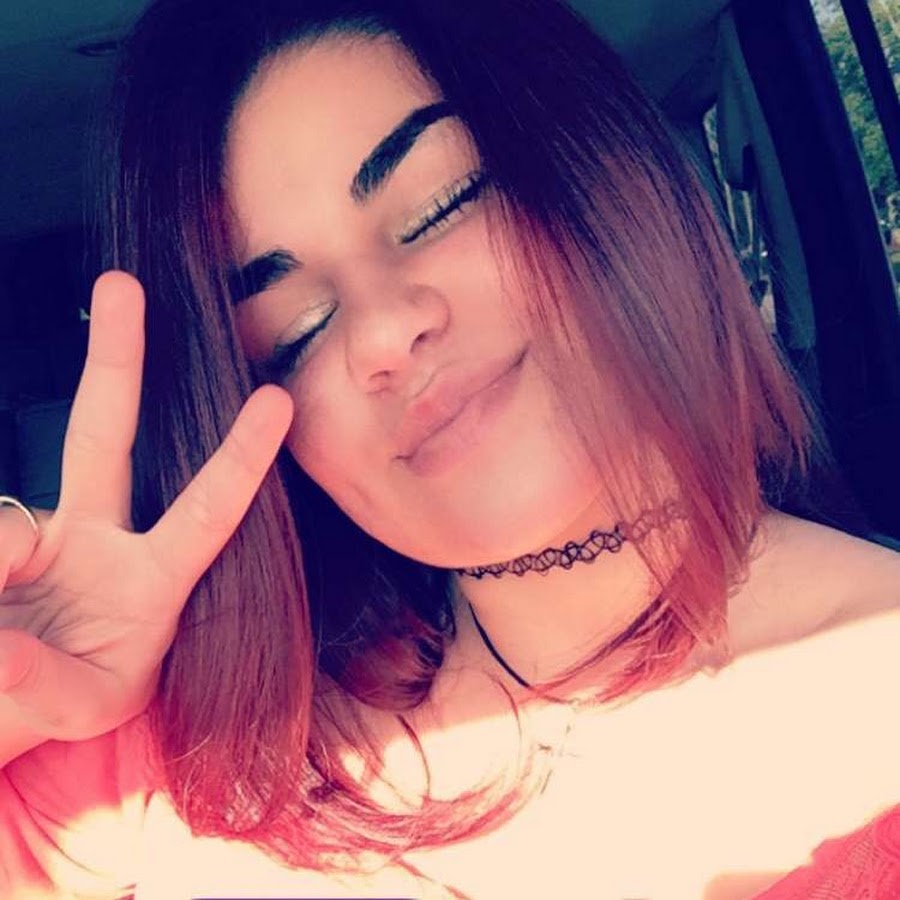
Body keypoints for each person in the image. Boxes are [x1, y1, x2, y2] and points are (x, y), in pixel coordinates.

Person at [1, 0, 899, 897]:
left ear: (604, 172)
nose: (381, 334)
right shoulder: (177, 743)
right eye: (295, 329)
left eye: (442, 206)